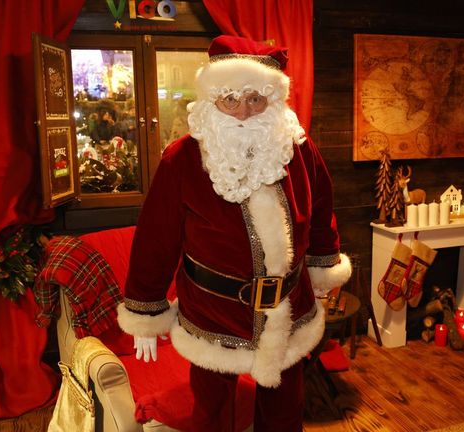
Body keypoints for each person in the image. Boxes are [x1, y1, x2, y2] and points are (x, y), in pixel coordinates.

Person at [116, 36, 352, 431]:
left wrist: (323, 267)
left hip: (290, 301)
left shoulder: (298, 148)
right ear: (212, 101)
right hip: (213, 307)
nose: (243, 111)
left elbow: (322, 208)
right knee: (213, 414)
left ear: (272, 101)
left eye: (255, 98)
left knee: (284, 412)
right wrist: (146, 307)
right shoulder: (182, 159)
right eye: (230, 98)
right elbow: (156, 238)